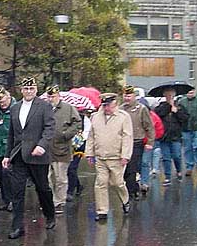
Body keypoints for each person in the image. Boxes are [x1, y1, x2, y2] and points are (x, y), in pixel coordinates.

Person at [2, 77, 56, 239]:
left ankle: (50, 214)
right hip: (19, 155)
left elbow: (50, 128)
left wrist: (42, 145)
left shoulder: (44, 106)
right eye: (26, 89)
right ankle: (18, 226)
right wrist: (7, 155)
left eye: (32, 88)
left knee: (42, 188)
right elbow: (11, 134)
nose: (29, 91)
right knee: (17, 191)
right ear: (21, 90)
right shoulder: (15, 108)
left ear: (36, 90)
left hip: (37, 155)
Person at [85, 93, 133, 222]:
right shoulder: (95, 117)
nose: (106, 108)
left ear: (115, 104)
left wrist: (125, 156)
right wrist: (89, 153)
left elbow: (127, 137)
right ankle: (102, 211)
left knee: (117, 182)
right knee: (101, 183)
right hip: (101, 157)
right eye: (104, 105)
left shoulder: (123, 117)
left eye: (109, 105)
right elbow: (91, 136)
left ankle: (125, 200)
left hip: (116, 157)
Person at [46, 85, 81, 214]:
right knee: (45, 178)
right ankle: (49, 201)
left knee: (61, 178)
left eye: (53, 96)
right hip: (45, 149)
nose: (51, 99)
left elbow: (77, 123)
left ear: (58, 96)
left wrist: (66, 134)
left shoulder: (68, 108)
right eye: (49, 96)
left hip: (62, 148)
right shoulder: (44, 108)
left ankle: (59, 202)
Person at [120, 85, 154, 201]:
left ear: (134, 96)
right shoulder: (120, 109)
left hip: (136, 142)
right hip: (122, 143)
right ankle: (133, 188)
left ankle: (130, 193)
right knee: (124, 169)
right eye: (125, 95)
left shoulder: (141, 109)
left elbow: (149, 126)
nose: (127, 98)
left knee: (131, 168)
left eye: (129, 96)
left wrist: (150, 142)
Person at [154, 87, 189, 186]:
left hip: (176, 136)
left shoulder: (180, 106)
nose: (169, 97)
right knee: (166, 157)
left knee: (177, 155)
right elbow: (157, 115)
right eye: (167, 95)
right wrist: (168, 107)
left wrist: (176, 112)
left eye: (171, 95)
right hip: (164, 136)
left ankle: (178, 171)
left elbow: (185, 118)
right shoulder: (161, 106)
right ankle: (168, 176)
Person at [179, 87, 197, 176]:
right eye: (188, 93)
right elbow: (179, 113)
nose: (190, 94)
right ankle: (189, 167)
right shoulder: (182, 102)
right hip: (185, 128)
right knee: (187, 148)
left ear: (195, 92)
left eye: (192, 92)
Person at [138, 99, 164, 194]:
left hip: (148, 143)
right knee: (137, 162)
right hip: (137, 142)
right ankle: (139, 177)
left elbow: (159, 130)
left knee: (145, 162)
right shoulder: (135, 116)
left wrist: (151, 140)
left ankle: (144, 182)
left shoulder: (153, 117)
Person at [66, 109, 93, 201]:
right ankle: (78, 185)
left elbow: (87, 132)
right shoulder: (65, 116)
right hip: (66, 146)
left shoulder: (84, 119)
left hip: (78, 147)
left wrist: (78, 139)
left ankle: (70, 191)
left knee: (72, 168)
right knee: (67, 169)